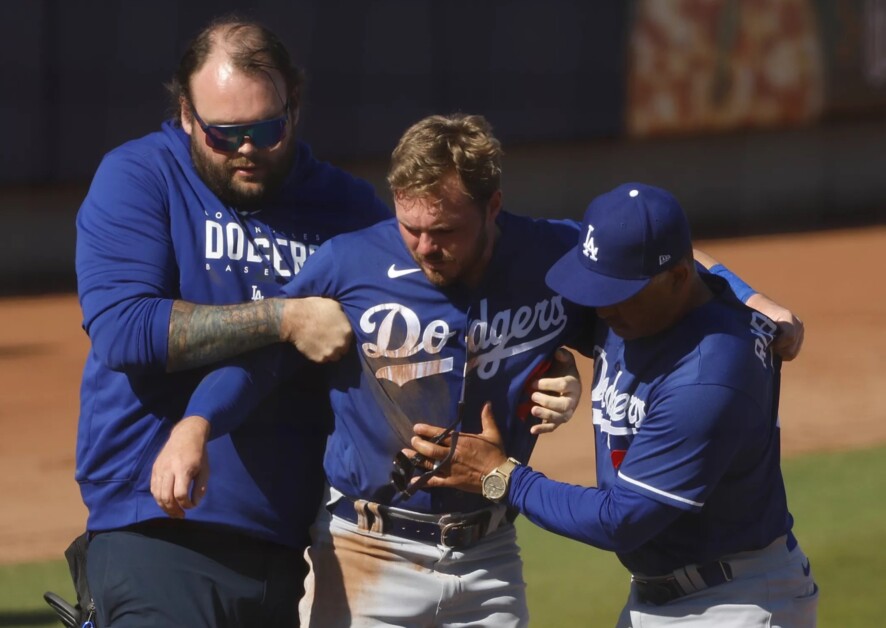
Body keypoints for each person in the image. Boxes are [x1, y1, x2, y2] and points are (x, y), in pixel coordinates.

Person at [163, 114, 806, 627]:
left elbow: (652, 256)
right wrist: (196, 424)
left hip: (490, 557)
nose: (422, 246)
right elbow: (264, 357)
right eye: (409, 225)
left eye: (442, 230)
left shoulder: (551, 254)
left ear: (493, 205)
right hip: (367, 554)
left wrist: (748, 297)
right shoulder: (347, 263)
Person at [73, 15, 393, 627]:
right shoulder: (140, 176)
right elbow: (125, 328)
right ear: (187, 115)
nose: (246, 148)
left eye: (267, 128)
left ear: (294, 106)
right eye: (223, 134)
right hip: (159, 525)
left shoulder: (345, 207)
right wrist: (283, 317)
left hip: (289, 537)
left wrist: (545, 363)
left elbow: (420, 308)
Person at [408, 182, 819, 626]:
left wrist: (499, 477)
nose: (600, 308)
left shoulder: (710, 375)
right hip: (657, 597)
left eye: (617, 293)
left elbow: (621, 520)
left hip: (736, 602)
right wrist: (557, 366)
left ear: (678, 279)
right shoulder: (638, 312)